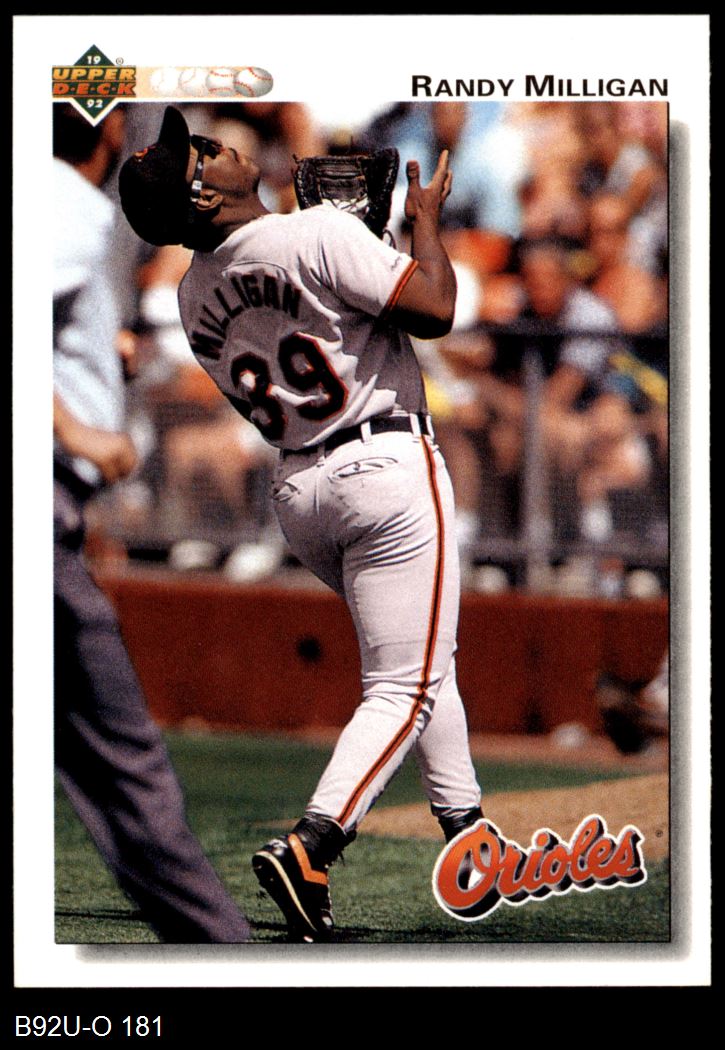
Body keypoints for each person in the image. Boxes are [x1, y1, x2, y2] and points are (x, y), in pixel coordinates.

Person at [118, 105, 483, 943]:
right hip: (382, 462)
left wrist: (351, 250)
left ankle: (468, 833)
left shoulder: (189, 292)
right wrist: (421, 226)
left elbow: (303, 310)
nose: (218, 145)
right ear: (202, 195)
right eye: (202, 151)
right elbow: (433, 309)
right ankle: (313, 843)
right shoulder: (316, 230)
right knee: (404, 684)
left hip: (300, 491)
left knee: (419, 660)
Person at [53, 103, 251, 943]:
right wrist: (76, 429)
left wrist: (93, 358)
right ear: (107, 131)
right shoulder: (66, 201)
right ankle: (222, 954)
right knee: (127, 765)